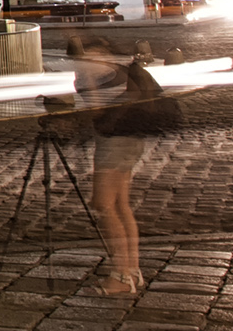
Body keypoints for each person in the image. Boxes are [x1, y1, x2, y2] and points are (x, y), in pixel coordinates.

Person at [88, 56, 178, 294]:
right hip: (130, 138)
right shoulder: (116, 63)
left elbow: (97, 110)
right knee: (121, 206)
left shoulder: (92, 68)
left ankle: (120, 275)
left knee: (104, 205)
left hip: (114, 142)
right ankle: (132, 271)